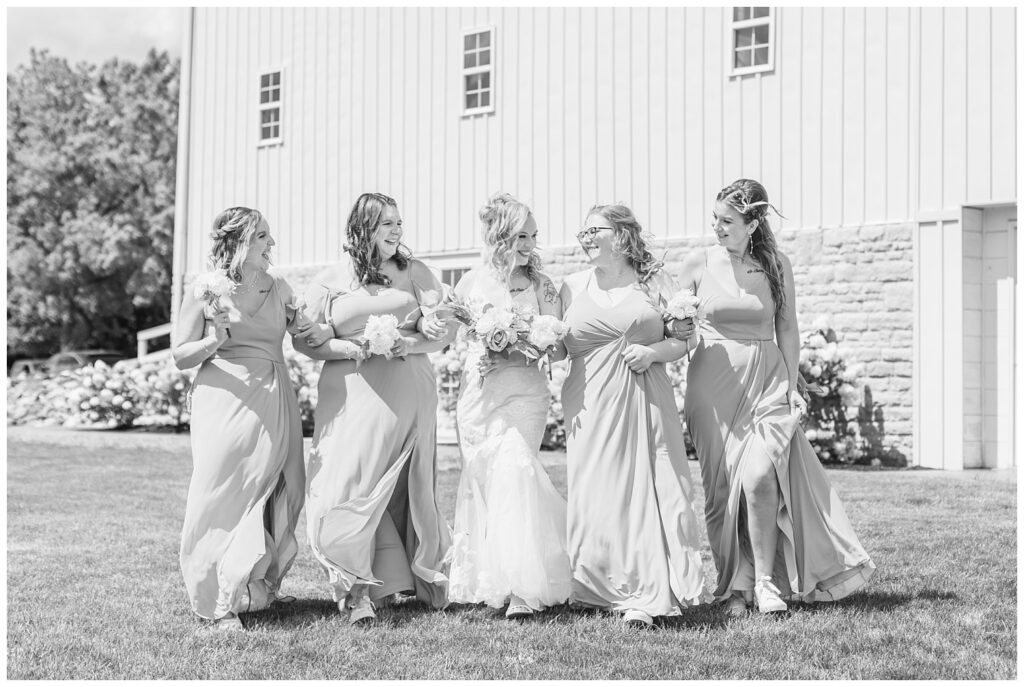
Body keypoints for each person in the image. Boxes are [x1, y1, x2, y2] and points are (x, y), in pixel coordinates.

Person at [675, 179, 875, 616]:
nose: (718, 228)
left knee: (761, 475)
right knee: (721, 490)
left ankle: (765, 581)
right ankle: (734, 588)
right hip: (710, 389)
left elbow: (787, 328)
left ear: (752, 224)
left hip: (766, 383)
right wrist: (677, 329)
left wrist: (790, 383)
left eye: (727, 221)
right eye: (715, 219)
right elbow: (674, 328)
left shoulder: (776, 265)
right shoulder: (696, 264)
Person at [293, 192, 453, 624]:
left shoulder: (415, 272)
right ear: (363, 227)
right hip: (350, 396)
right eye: (386, 223)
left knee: (400, 486)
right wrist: (348, 346)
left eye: (399, 222)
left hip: (408, 391)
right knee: (347, 485)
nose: (397, 230)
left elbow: (442, 334)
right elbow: (306, 340)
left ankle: (391, 580)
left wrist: (410, 340)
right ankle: (355, 588)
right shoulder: (329, 281)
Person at [556, 203, 708, 628]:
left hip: (644, 397)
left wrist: (653, 351)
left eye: (595, 230)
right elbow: (559, 348)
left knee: (649, 488)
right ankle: (595, 585)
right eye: (582, 231)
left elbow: (685, 341)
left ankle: (645, 591)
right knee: (596, 493)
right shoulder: (570, 286)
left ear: (622, 236)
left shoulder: (654, 282)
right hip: (588, 404)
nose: (585, 238)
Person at [175, 207, 318, 630]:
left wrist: (346, 334)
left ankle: (256, 581)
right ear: (238, 244)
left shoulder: (280, 286)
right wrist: (213, 340)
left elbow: (309, 336)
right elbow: (180, 354)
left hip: (274, 395)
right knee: (223, 493)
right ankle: (219, 603)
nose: (272, 244)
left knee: (284, 487)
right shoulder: (205, 291)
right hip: (224, 396)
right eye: (263, 237)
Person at [437, 192, 572, 618]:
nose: (530, 245)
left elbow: (561, 347)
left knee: (516, 470)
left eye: (534, 236)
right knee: (487, 480)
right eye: (521, 236)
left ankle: (525, 589)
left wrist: (519, 347)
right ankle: (490, 579)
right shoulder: (471, 283)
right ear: (500, 236)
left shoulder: (544, 286)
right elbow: (450, 339)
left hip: (526, 392)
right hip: (479, 396)